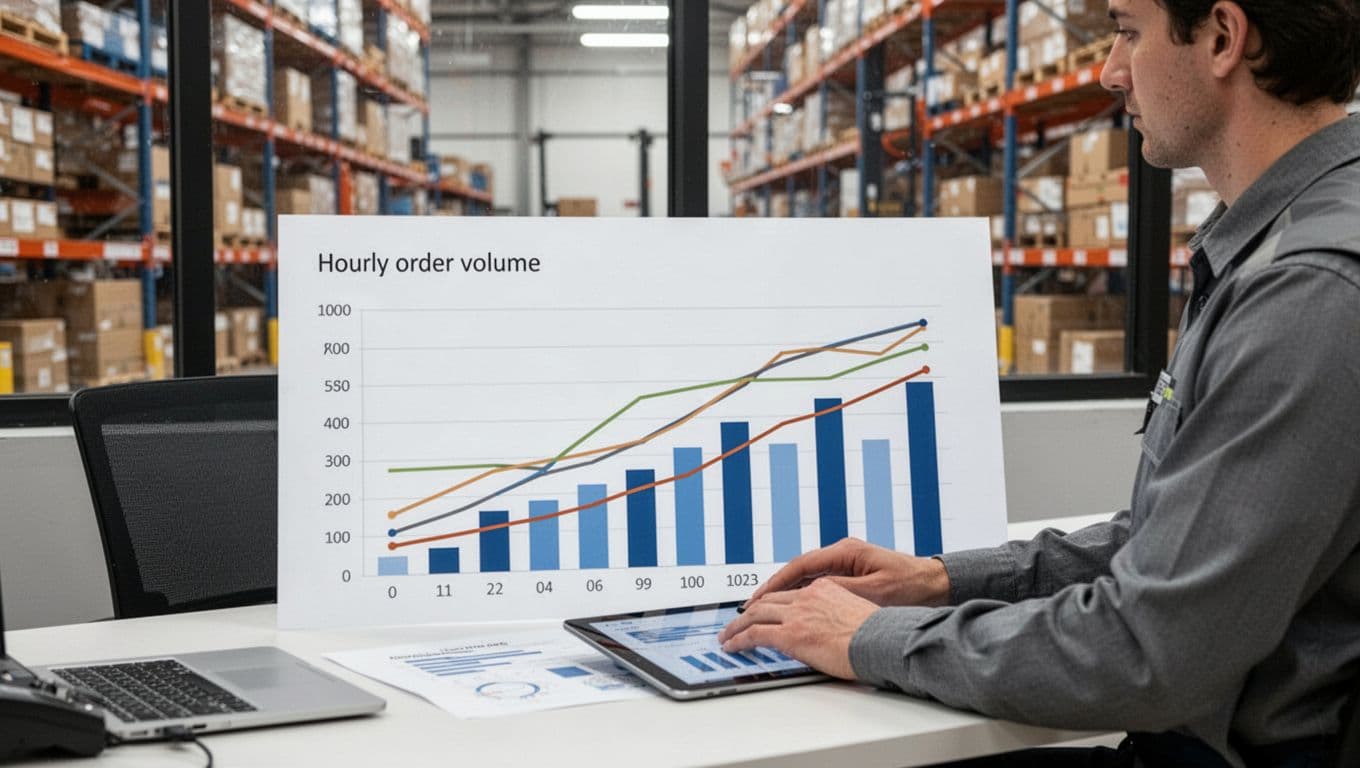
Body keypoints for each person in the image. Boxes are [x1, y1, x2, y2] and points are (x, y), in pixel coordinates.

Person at [717, 1, 1360, 765]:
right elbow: (1175, 540)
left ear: (1223, 38)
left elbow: (1146, 652)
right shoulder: (1274, 245)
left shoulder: (1309, 290)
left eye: (1127, 31)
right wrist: (935, 581)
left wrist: (867, 639)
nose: (1108, 70)